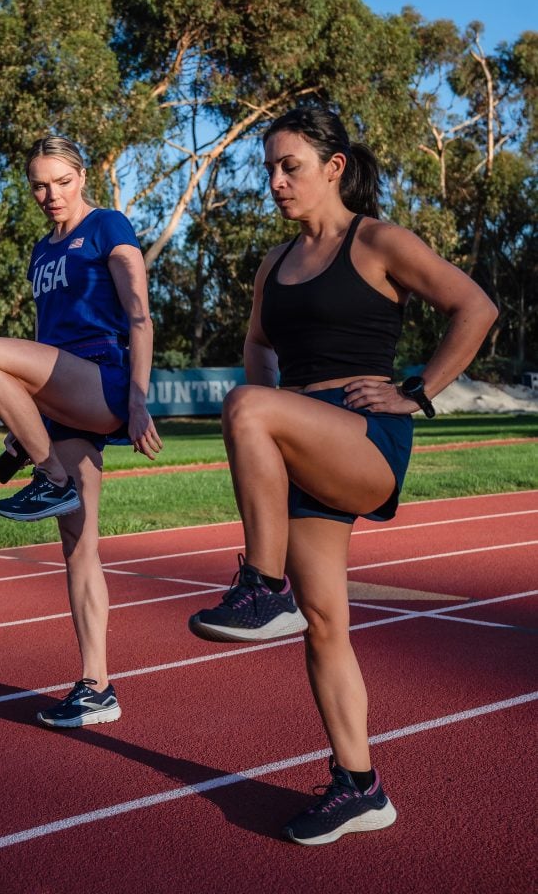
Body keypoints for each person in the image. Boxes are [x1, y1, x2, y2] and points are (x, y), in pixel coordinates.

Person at [188, 106, 497, 845]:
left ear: (331, 167)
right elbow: (258, 344)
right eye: (266, 168)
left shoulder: (378, 240)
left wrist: (416, 392)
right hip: (300, 446)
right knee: (325, 624)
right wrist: (273, 404)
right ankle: (358, 787)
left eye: (288, 165)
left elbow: (473, 307)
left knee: (246, 407)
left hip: (364, 438)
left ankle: (261, 587)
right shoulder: (274, 263)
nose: (274, 181)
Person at [0, 136, 162, 728]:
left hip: (101, 378)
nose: (51, 194)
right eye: (39, 186)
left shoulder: (107, 226)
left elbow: (140, 313)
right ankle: (96, 687)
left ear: (81, 176)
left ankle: (50, 476)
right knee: (79, 547)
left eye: (61, 181)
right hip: (62, 392)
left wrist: (140, 400)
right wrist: (26, 423)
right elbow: (44, 342)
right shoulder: (39, 253)